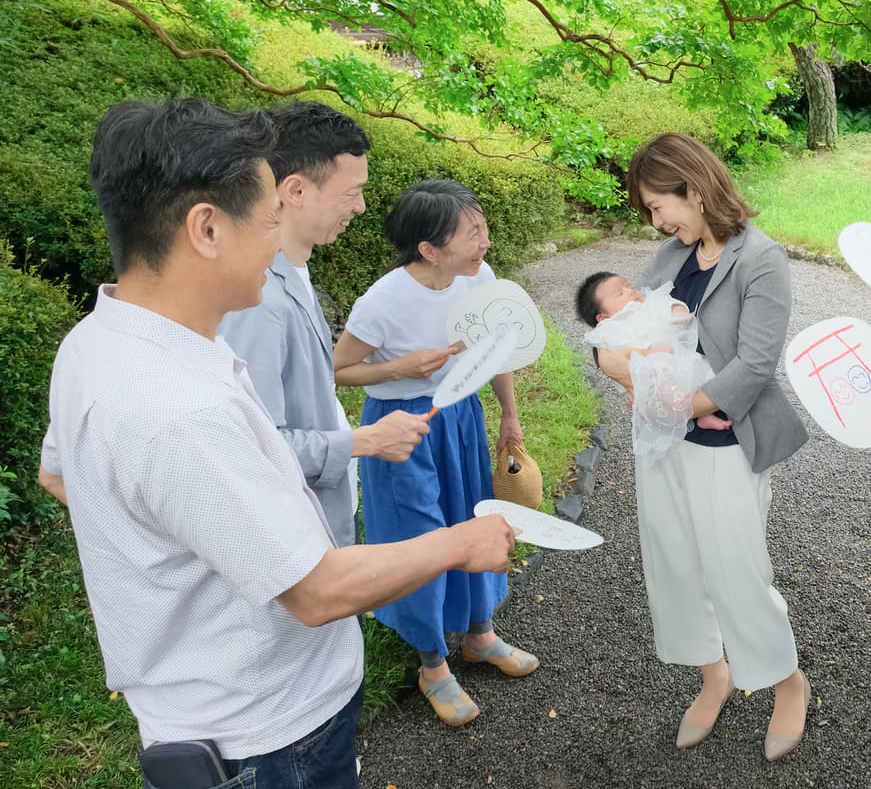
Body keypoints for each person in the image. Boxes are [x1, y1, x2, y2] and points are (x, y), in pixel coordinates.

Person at [39, 99, 514, 787]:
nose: (278, 243)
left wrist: (176, 555)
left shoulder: (96, 342)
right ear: (207, 228)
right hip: (265, 734)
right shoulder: (178, 408)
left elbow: (61, 477)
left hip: (212, 711)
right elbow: (316, 592)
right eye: (267, 220)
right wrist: (461, 544)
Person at [596, 133, 810, 761]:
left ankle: (787, 682)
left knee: (737, 569)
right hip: (664, 444)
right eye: (649, 211)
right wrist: (617, 365)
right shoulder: (671, 255)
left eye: (659, 206)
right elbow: (618, 330)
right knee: (676, 566)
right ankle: (714, 676)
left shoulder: (761, 259)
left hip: (724, 443)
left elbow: (756, 364)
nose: (656, 222)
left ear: (693, 188)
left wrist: (672, 401)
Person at [333, 178, 537, 728]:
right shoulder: (383, 301)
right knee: (420, 533)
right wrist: (399, 368)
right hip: (402, 427)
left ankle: (479, 634)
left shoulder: (479, 279)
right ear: (429, 249)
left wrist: (509, 415)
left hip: (461, 416)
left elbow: (496, 352)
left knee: (472, 520)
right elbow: (339, 368)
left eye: (483, 227)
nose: (485, 242)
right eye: (473, 233)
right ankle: (432, 664)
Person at [217, 102, 427, 546]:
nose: (361, 207)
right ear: (295, 190)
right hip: (294, 535)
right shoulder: (257, 300)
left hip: (322, 513)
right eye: (351, 193)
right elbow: (254, 449)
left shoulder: (293, 271)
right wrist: (364, 441)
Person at [575, 270, 733, 455]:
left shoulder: (649, 302)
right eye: (620, 293)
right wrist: (648, 351)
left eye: (629, 286)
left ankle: (703, 414)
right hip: (649, 363)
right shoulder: (610, 327)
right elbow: (614, 347)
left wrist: (678, 311)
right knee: (659, 388)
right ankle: (686, 410)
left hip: (678, 355)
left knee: (707, 373)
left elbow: (669, 302)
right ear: (602, 317)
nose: (630, 291)